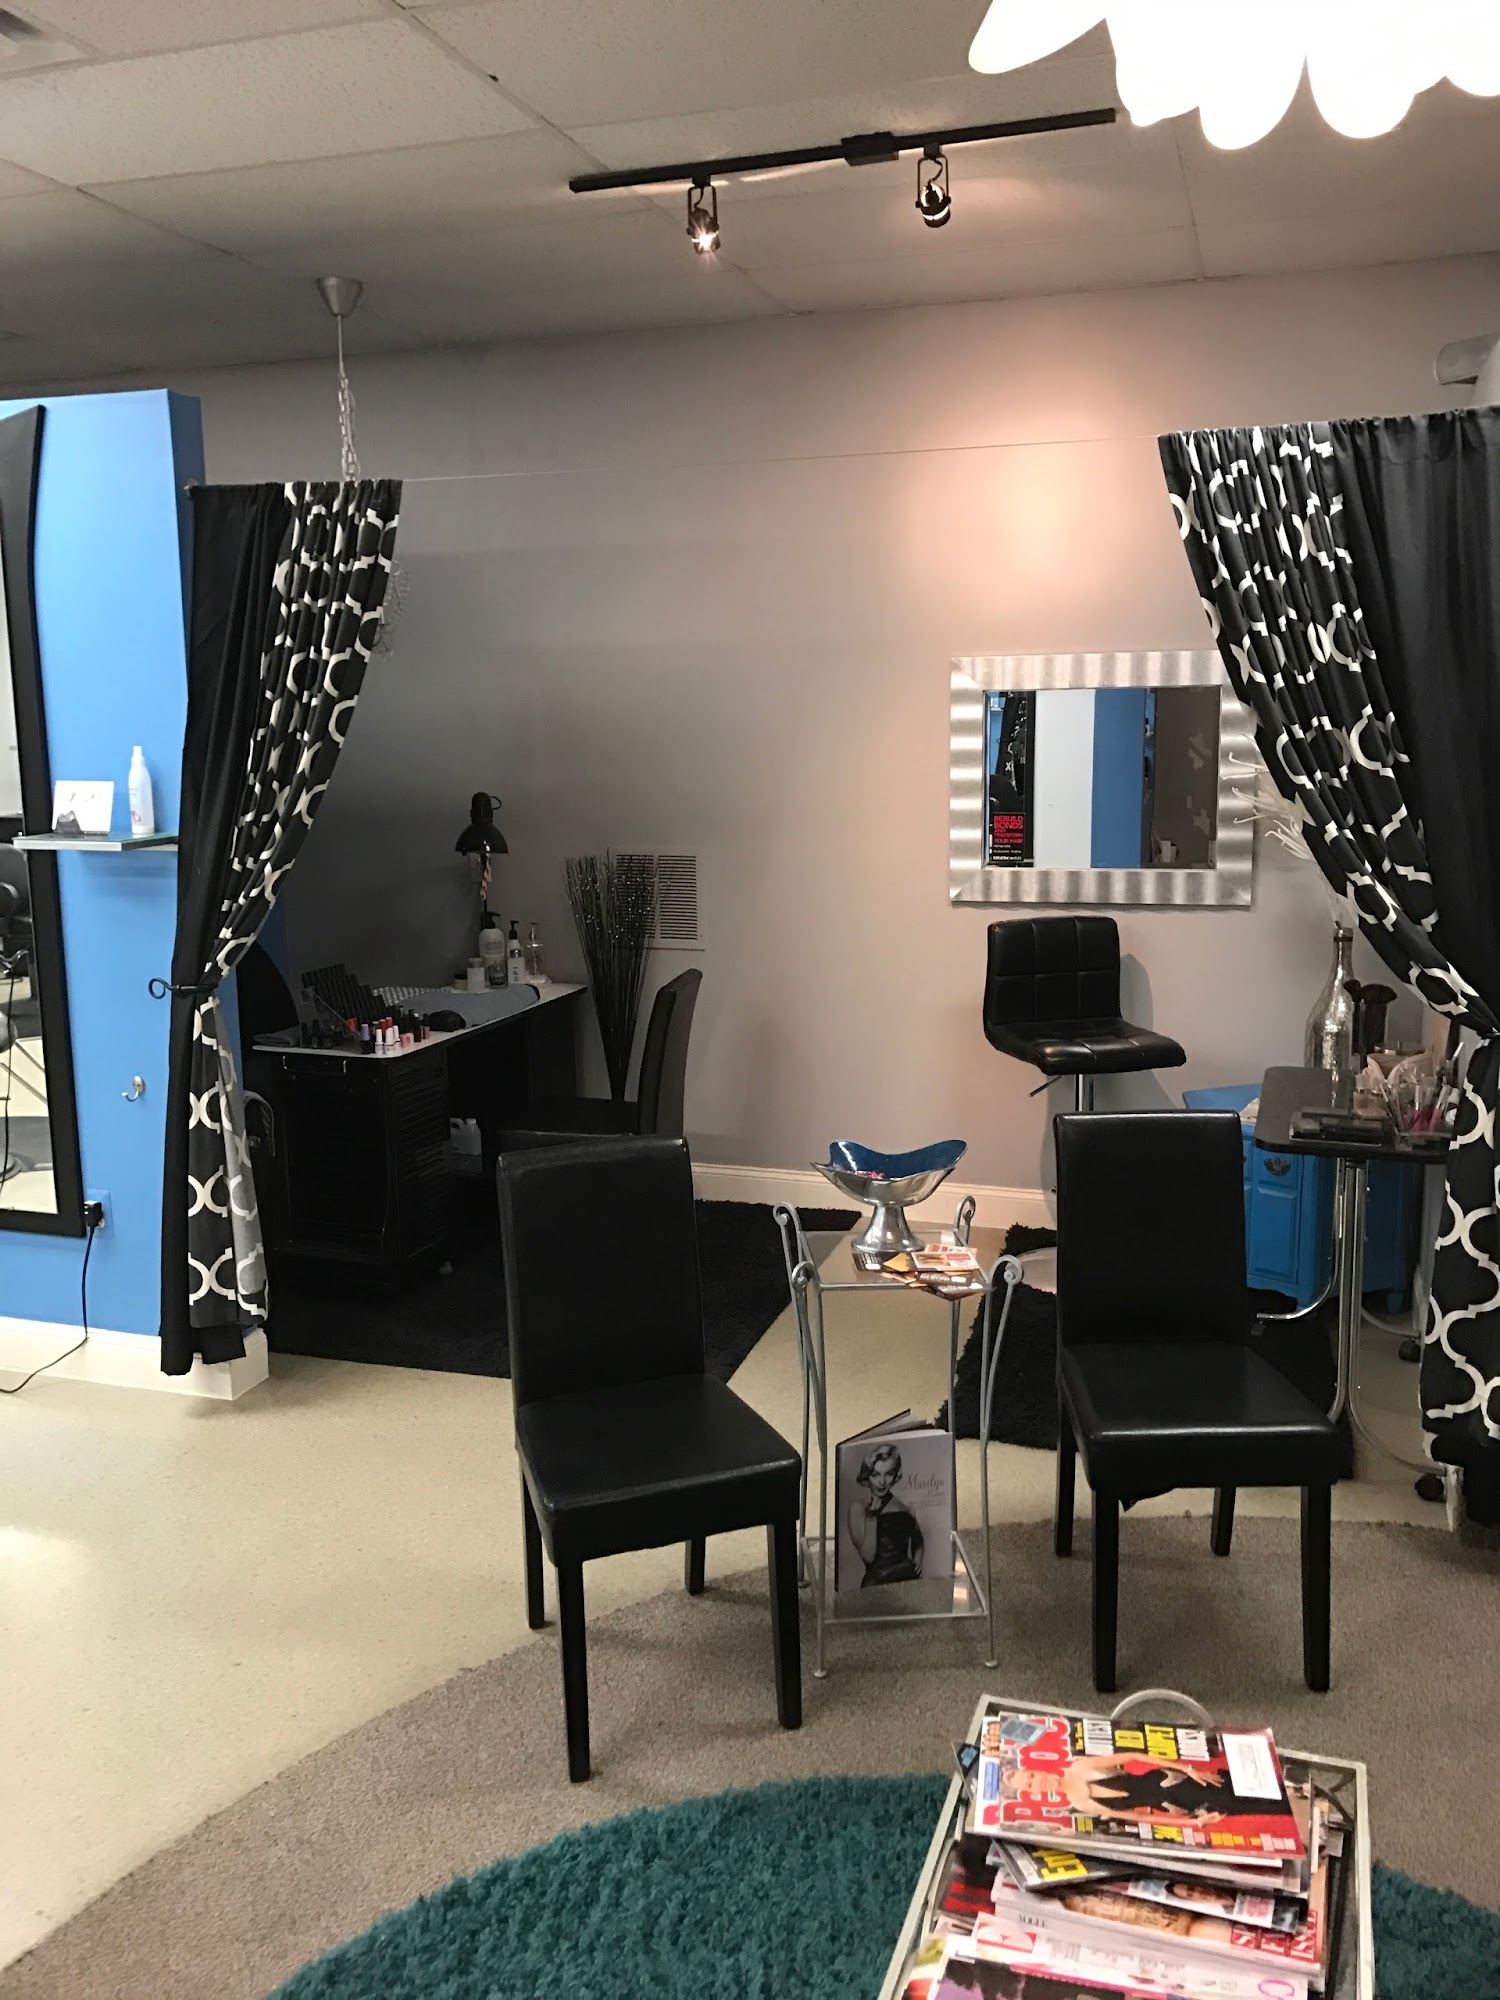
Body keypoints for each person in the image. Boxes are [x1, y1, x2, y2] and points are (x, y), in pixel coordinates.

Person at [1001, 1753, 1225, 1824]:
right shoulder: (1079, 1804)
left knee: (1229, 1788)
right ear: (1034, 1794)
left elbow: (1133, 1756)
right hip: (1176, 1806)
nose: (1036, 1782)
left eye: (1031, 1776)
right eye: (1030, 1785)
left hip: (1175, 1780)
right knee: (1234, 1807)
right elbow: (1140, 1818)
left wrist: (1188, 1769)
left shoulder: (1079, 1767)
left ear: (1037, 1770)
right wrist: (1193, 1823)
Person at [847, 1442, 924, 1586]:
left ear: (895, 1475)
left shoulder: (906, 1505)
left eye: (888, 1474)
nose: (882, 1482)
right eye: (875, 1475)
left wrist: (918, 1559)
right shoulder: (857, 1508)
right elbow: (868, 1557)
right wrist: (872, 1517)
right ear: (867, 1476)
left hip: (908, 1578)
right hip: (877, 1584)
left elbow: (918, 1539)